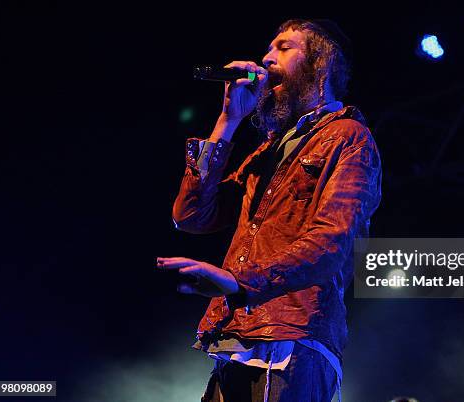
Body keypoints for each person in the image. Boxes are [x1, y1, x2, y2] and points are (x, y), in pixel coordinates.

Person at [157, 19, 382, 402]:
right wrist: (227, 122)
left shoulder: (348, 138)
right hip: (235, 338)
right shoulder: (268, 150)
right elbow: (192, 214)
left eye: (283, 47)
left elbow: (332, 243)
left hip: (294, 339)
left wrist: (240, 283)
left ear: (321, 64)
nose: (265, 57)